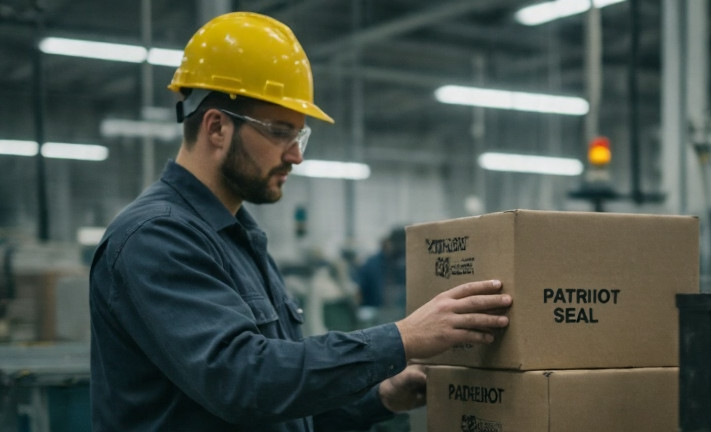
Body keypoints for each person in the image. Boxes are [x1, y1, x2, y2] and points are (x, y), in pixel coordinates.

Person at [88, 12, 512, 432]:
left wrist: (381, 396)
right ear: (217, 127)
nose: (296, 155)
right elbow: (242, 381)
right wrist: (402, 339)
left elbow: (281, 402)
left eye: (299, 136)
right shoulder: (156, 236)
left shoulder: (238, 238)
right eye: (279, 132)